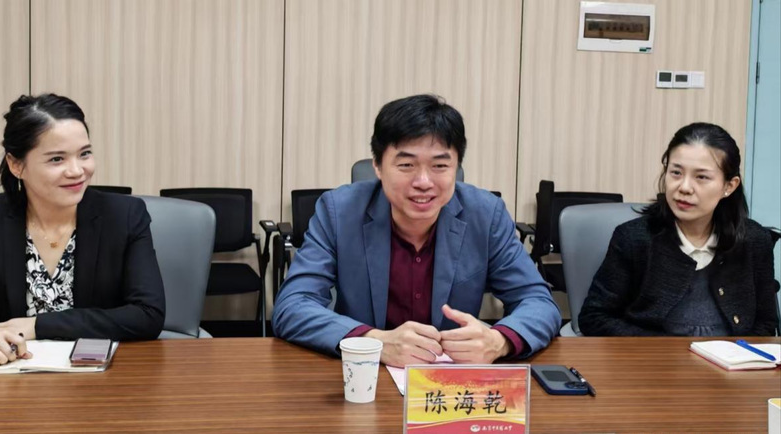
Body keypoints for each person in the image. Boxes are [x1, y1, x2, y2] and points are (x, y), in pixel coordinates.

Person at [272, 94, 560, 367]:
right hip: (365, 374)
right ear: (378, 166)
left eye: (439, 165)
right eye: (406, 164)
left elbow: (537, 302)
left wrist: (498, 341)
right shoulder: (339, 212)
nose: (423, 181)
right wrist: (375, 342)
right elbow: (293, 305)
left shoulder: (485, 214)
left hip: (451, 379)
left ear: (456, 167)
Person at [0, 94, 165, 367]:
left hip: (103, 371)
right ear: (16, 164)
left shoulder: (125, 215)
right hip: (15, 372)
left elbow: (148, 315)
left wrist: (38, 325)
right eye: (57, 159)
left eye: (85, 154)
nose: (77, 170)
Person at [579, 122, 779, 336]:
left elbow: (766, 324)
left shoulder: (755, 240)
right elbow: (594, 317)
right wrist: (663, 348)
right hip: (655, 356)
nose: (684, 187)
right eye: (676, 172)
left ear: (729, 186)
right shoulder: (633, 238)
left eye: (701, 177)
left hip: (731, 358)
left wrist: (737, 354)